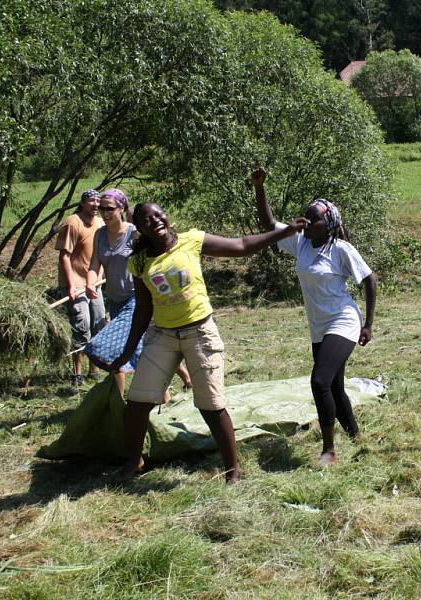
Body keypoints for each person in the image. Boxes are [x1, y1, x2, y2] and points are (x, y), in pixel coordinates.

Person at [109, 202, 308, 482]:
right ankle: (134, 462)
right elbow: (143, 309)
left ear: (166, 215)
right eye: (146, 219)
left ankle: (232, 471)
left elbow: (240, 245)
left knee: (211, 405)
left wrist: (284, 232)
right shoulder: (139, 261)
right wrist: (127, 352)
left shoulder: (191, 240)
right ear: (139, 228)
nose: (155, 221)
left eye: (158, 214)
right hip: (163, 336)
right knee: (137, 404)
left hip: (199, 333)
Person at [252, 168, 377, 465]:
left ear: (329, 224)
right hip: (318, 325)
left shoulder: (341, 249)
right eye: (305, 216)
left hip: (344, 320)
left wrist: (369, 325)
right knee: (334, 385)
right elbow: (269, 225)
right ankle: (356, 435)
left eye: (314, 218)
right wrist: (259, 188)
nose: (307, 221)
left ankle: (329, 450)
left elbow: (369, 280)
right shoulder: (302, 243)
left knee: (319, 381)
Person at [85, 188, 192, 397]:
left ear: (121, 208)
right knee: (139, 348)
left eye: (109, 209)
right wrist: (91, 284)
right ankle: (155, 393)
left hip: (136, 299)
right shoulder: (100, 234)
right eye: (101, 210)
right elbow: (94, 266)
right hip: (115, 301)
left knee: (107, 347)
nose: (104, 214)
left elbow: (154, 256)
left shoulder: (134, 233)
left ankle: (132, 396)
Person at [56, 189, 106, 387]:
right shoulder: (72, 222)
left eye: (98, 201)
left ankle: (94, 370)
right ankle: (77, 374)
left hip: (94, 284)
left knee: (99, 324)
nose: (95, 205)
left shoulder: (101, 224)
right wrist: (70, 285)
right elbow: (64, 257)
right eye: (91, 201)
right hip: (76, 285)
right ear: (83, 203)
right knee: (81, 326)